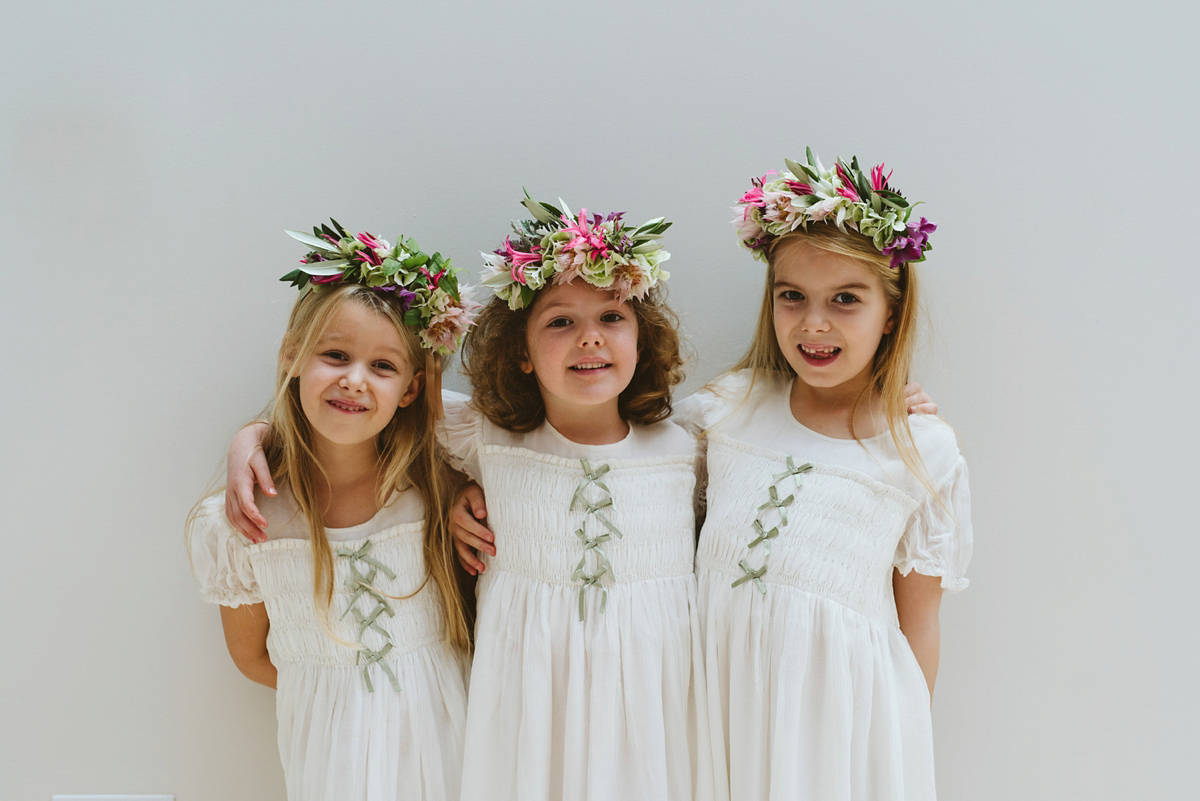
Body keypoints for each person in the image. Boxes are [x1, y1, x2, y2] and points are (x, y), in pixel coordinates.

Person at [681, 150, 972, 800]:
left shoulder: (923, 448)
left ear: (890, 313)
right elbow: (631, 474)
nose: (814, 322)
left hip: (837, 730)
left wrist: (905, 745)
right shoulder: (729, 408)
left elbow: (919, 621)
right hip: (718, 705)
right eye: (794, 297)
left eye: (845, 300)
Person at [186, 221, 476, 801]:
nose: (354, 380)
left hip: (454, 737)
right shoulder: (240, 523)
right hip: (328, 754)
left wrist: (253, 430)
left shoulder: (435, 479)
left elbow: (499, 422)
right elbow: (252, 656)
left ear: (413, 390)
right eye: (336, 355)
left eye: (384, 366)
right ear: (293, 358)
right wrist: (336, 695)